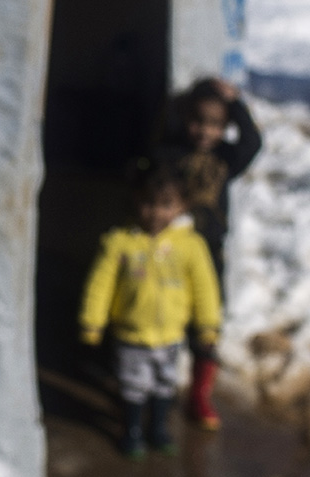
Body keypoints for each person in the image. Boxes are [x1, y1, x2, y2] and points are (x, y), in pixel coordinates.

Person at [79, 161, 221, 458]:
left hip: (171, 336)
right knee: (133, 386)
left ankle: (158, 427)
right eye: (148, 204)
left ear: (182, 206)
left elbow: (205, 287)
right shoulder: (120, 242)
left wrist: (208, 325)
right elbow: (100, 284)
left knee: (165, 385)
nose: (156, 213)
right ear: (136, 201)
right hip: (131, 335)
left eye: (166, 205)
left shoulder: (191, 246)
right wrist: (92, 321)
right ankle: (131, 429)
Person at [159, 76, 262, 430]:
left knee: (206, 322)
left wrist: (235, 103)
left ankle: (200, 394)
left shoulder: (226, 158)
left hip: (209, 257)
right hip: (171, 254)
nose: (204, 131)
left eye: (215, 124)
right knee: (167, 315)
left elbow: (253, 141)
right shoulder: (171, 155)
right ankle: (159, 387)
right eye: (197, 121)